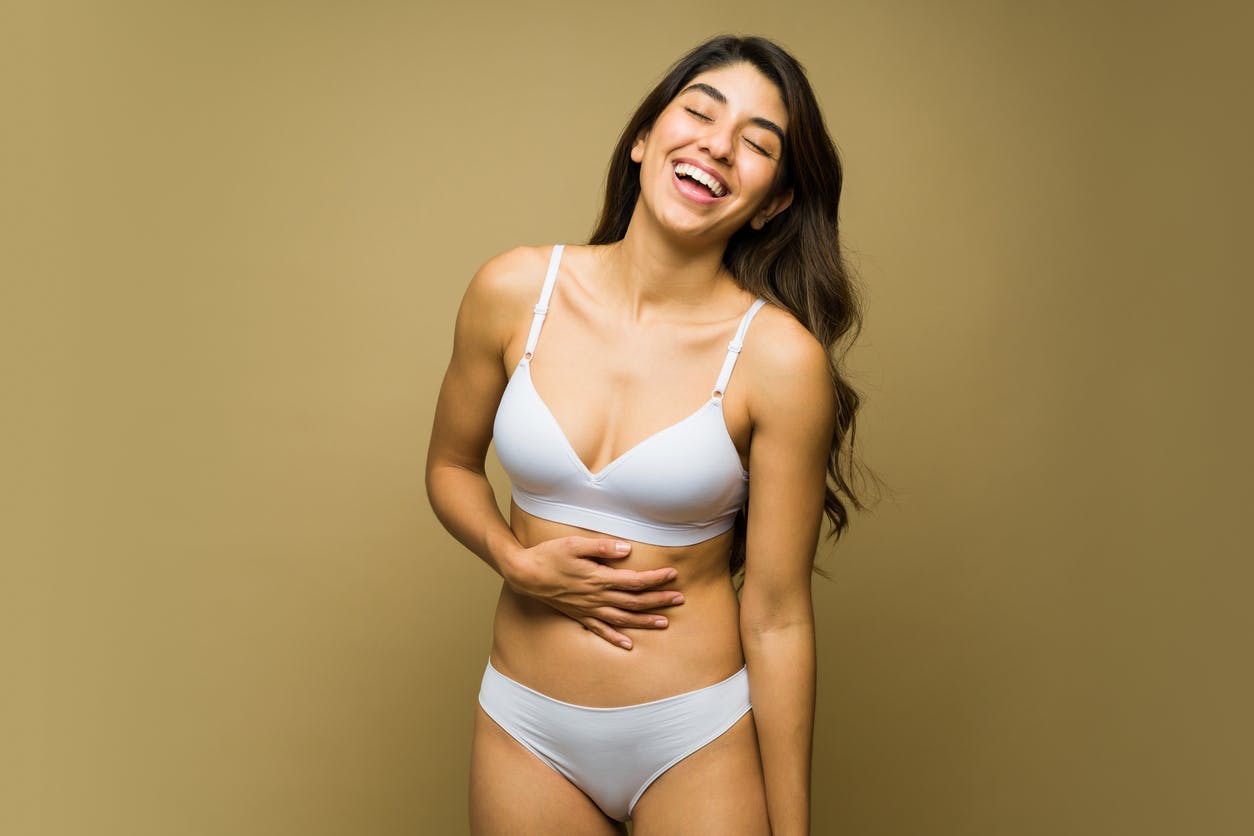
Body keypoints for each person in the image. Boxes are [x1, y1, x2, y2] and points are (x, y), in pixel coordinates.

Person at [426, 34, 868, 836]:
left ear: (772, 203)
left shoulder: (779, 361)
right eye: (699, 112)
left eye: (757, 144)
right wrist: (512, 559)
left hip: (692, 738)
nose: (717, 146)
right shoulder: (514, 290)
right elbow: (451, 467)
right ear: (643, 138)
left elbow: (777, 616)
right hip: (524, 728)